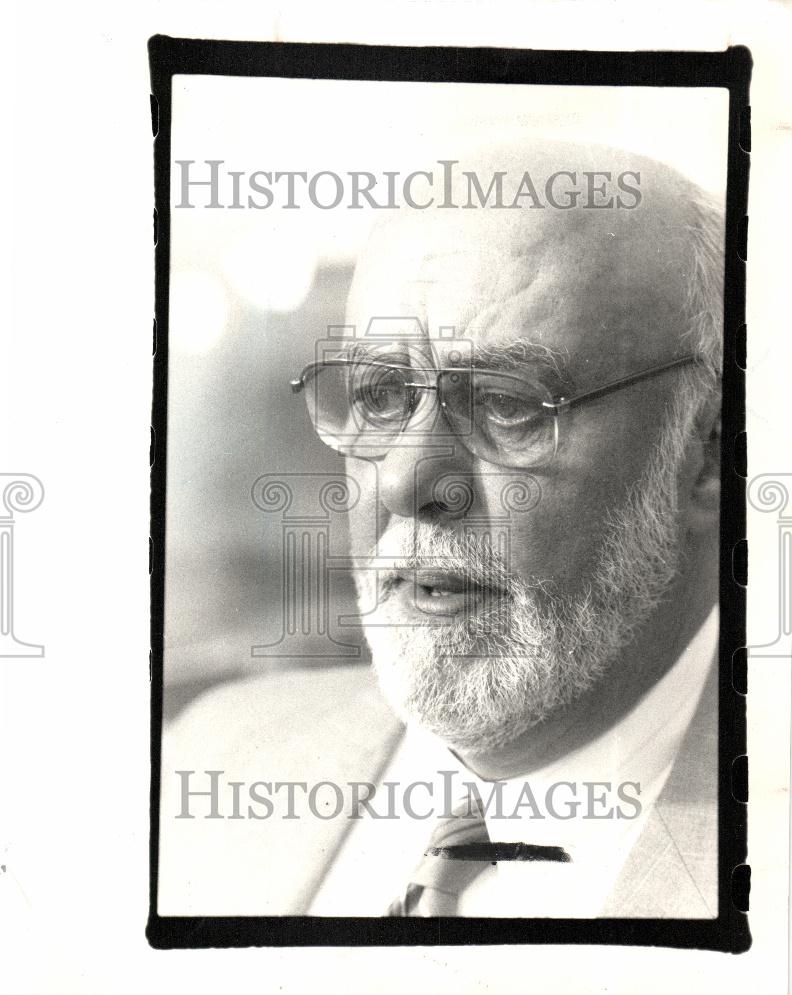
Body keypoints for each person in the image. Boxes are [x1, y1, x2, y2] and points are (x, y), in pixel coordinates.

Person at [159, 140, 724, 919]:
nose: (405, 481)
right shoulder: (214, 754)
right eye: (381, 394)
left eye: (508, 403)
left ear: (708, 451)